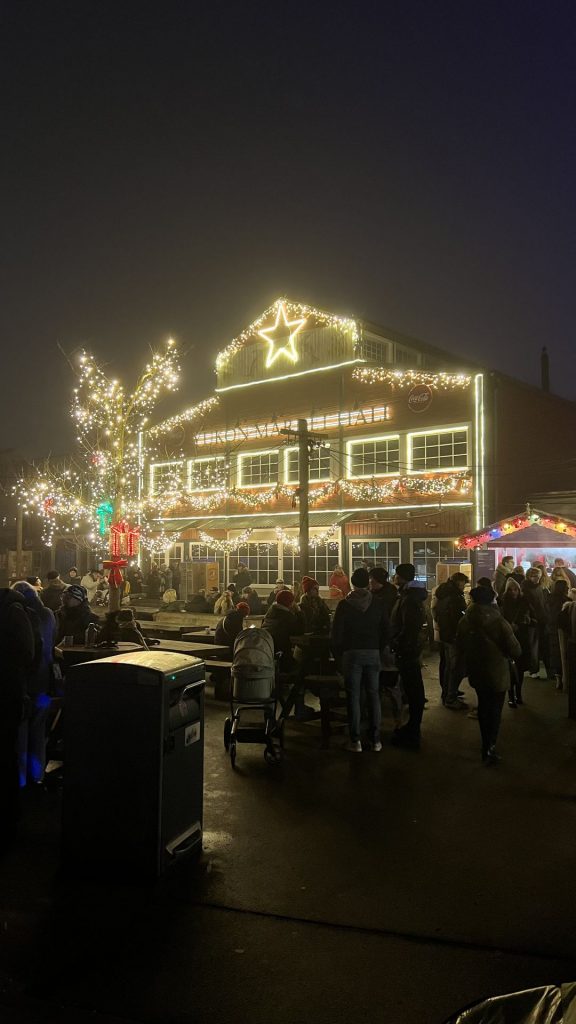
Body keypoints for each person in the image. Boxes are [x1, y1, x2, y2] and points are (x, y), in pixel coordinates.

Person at [456, 586, 521, 764]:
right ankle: (490, 746)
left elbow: (459, 645)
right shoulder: (499, 621)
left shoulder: (465, 620)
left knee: (484, 707)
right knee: (495, 711)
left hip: (477, 670)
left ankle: (486, 744)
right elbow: (516, 650)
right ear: (491, 600)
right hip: (497, 671)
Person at [331, 567, 389, 752]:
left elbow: (337, 634)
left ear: (353, 583)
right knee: (373, 695)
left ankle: (355, 740)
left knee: (353, 697)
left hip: (351, 653)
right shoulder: (378, 603)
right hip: (372, 652)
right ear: (368, 582)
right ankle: (376, 739)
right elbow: (386, 630)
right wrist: (379, 649)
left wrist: (338, 655)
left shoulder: (344, 605)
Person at [0, 587, 36, 848]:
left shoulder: (13, 610)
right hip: (11, 688)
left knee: (5, 751)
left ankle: (9, 818)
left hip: (8, 690)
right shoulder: (15, 610)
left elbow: (27, 653)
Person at [11, 581, 56, 788]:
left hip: (25, 683)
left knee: (21, 730)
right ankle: (37, 775)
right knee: (39, 730)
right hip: (44, 681)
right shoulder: (47, 614)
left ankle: (20, 779)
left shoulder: (19, 616)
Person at [389, 564, 428, 749]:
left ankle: (413, 731)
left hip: (408, 651)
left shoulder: (408, 598)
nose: (394, 578)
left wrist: (397, 643)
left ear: (401, 577)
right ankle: (412, 728)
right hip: (411, 649)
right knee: (413, 689)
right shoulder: (411, 596)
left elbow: (408, 627)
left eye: (396, 575)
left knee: (413, 689)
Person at [434, 572, 468, 708]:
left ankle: (447, 692)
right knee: (455, 668)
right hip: (453, 636)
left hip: (445, 634)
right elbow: (457, 617)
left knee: (447, 666)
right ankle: (450, 697)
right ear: (458, 582)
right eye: (463, 584)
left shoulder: (443, 593)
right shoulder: (454, 597)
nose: (464, 587)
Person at [498, 577, 533, 706]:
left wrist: (521, 623)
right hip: (508, 637)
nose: (513, 592)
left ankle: (518, 694)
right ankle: (511, 696)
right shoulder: (502, 603)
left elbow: (529, 616)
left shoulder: (524, 602)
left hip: (521, 636)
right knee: (510, 668)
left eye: (515, 589)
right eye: (511, 590)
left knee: (520, 668)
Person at [262, 589, 305, 670]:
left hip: (268, 649)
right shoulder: (287, 616)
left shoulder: (270, 612)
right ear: (290, 602)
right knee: (302, 662)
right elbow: (300, 630)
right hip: (282, 653)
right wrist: (299, 612)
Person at [522, 567, 550, 678]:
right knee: (534, 646)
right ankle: (534, 670)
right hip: (533, 621)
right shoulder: (527, 589)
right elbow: (529, 606)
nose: (537, 578)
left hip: (541, 619)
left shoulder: (538, 588)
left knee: (538, 645)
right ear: (529, 576)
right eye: (535, 576)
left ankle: (537, 670)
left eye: (538, 576)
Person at [548, 579, 570, 689]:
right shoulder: (567, 601)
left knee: (555, 654)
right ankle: (564, 678)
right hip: (564, 631)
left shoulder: (549, 599)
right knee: (564, 654)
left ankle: (558, 679)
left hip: (552, 629)